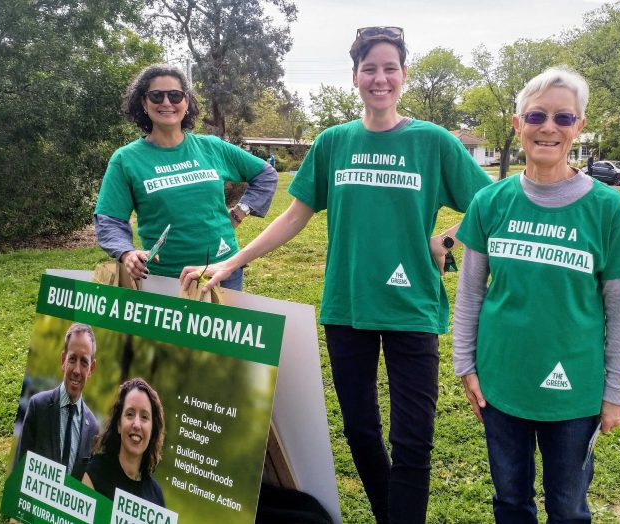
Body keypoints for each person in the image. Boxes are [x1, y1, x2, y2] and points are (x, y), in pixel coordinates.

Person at [181, 26, 492, 523]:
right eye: (370, 68)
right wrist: (234, 261)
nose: (380, 78)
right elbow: (294, 215)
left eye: (390, 67)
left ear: (404, 75)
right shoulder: (333, 143)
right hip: (347, 308)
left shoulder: (433, 142)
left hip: (413, 309)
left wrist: (447, 240)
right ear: (355, 76)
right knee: (361, 431)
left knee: (413, 438)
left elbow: (491, 206)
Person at [453, 67, 620, 523]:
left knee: (567, 507)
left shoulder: (607, 209)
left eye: (563, 118)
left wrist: (616, 391)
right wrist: (466, 365)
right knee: (510, 502)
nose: (548, 127)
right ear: (518, 124)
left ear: (578, 127)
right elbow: (470, 295)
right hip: (501, 386)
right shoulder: (490, 202)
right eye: (536, 115)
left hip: (574, 395)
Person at [94, 63, 278, 291]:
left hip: (221, 272)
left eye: (175, 95)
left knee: (222, 328)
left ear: (187, 101)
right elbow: (109, 218)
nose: (166, 103)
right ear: (143, 102)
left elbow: (265, 174)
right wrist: (126, 252)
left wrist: (240, 212)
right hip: (164, 279)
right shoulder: (126, 159)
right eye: (156, 96)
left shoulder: (212, 147)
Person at [15, 324, 99, 480]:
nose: (76, 370)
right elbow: (18, 471)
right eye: (72, 359)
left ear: (91, 369)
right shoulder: (37, 406)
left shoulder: (93, 428)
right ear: (63, 360)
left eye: (84, 362)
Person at [82, 378, 166, 506]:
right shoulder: (95, 473)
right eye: (130, 414)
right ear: (119, 425)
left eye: (144, 417)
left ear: (152, 430)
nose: (136, 424)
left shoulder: (156, 496)